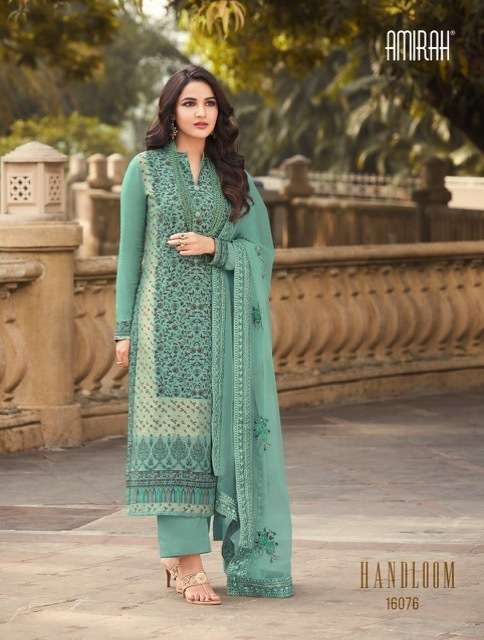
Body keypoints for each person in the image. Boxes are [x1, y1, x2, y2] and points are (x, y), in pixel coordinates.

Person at [114, 64, 294, 605]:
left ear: (220, 113)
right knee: (173, 444)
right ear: (171, 111)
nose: (201, 112)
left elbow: (261, 251)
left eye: (210, 103)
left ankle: (181, 560)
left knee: (213, 444)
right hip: (162, 326)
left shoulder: (233, 176)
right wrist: (123, 330)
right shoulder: (144, 170)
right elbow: (128, 255)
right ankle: (188, 563)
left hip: (220, 331)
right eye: (190, 103)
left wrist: (217, 248)